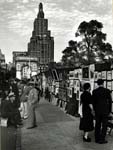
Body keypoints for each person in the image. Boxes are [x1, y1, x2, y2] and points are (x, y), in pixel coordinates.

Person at [92, 79, 112, 144]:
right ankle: (102, 139)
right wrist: (109, 111)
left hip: (97, 110)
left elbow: (93, 102)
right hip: (105, 110)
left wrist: (94, 110)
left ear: (97, 84)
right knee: (104, 125)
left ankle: (97, 139)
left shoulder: (94, 91)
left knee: (97, 124)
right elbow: (110, 102)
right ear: (103, 83)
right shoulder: (107, 91)